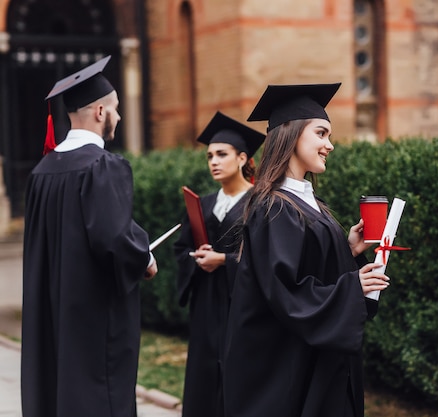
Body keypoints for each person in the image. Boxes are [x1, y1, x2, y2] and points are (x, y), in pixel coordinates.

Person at [222, 83, 390, 417]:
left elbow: (309, 268)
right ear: (292, 134)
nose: (330, 144)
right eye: (321, 133)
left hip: (311, 361)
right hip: (285, 367)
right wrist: (352, 287)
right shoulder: (275, 207)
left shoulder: (305, 201)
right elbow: (285, 290)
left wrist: (350, 252)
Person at [21, 55, 158, 417]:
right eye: (115, 109)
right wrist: (144, 257)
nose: (119, 116)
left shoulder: (41, 173)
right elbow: (113, 240)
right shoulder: (103, 166)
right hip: (94, 319)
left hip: (53, 312)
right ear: (100, 111)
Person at [173, 111, 265, 417]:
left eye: (221, 154)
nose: (213, 161)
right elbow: (182, 247)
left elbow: (267, 258)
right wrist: (195, 258)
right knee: (203, 380)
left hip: (240, 305)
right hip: (206, 308)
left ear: (241, 158)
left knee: (237, 377)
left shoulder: (260, 204)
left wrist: (224, 260)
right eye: (210, 155)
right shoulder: (203, 204)